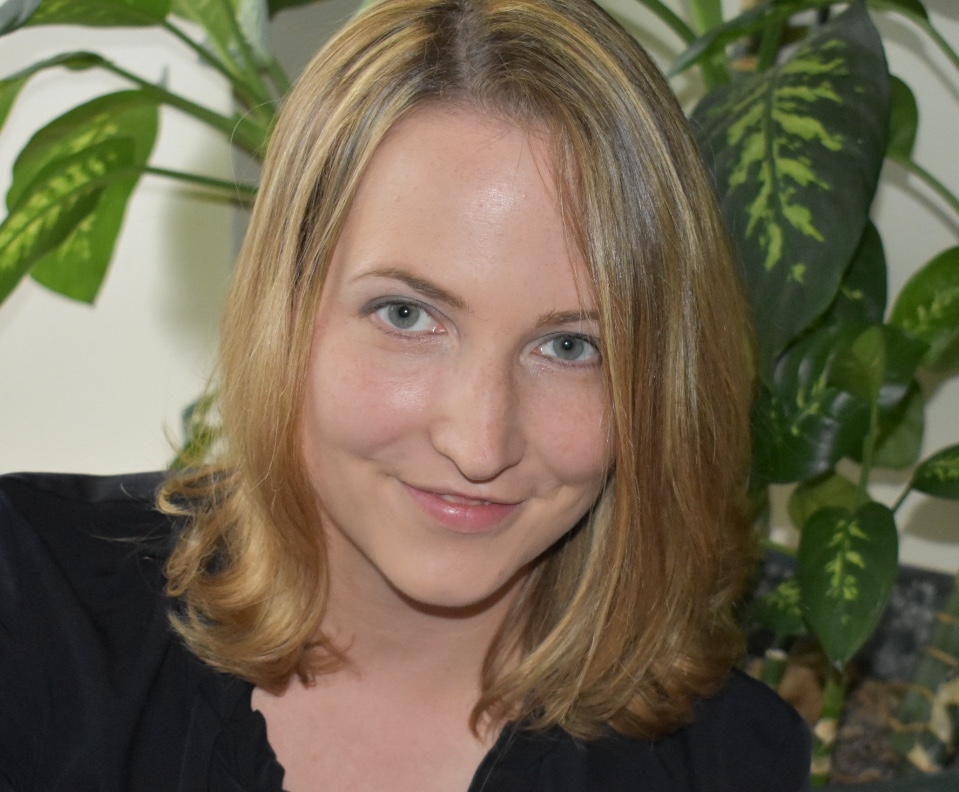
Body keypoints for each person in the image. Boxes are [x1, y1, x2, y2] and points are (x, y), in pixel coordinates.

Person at [0, 0, 812, 789]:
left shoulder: (730, 762)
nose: (479, 443)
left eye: (570, 346)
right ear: (285, 308)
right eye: (407, 314)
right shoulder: (33, 615)